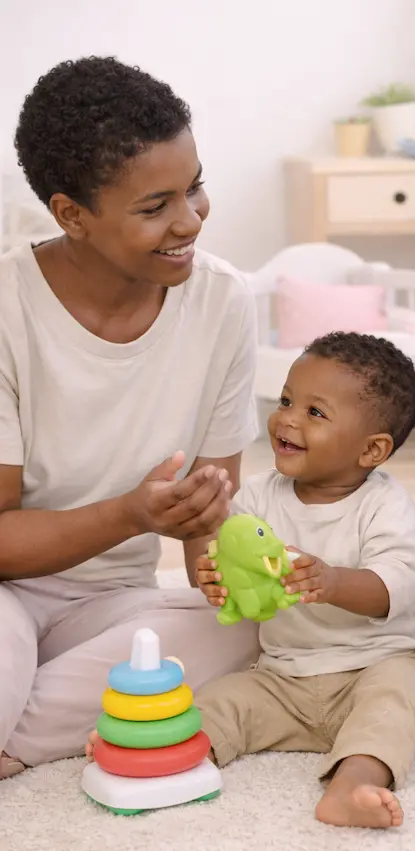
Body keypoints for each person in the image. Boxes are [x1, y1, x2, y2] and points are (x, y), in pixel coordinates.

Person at [0, 56, 260, 778]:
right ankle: (64, 719)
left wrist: (238, 578)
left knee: (242, 632)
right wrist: (132, 514)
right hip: (7, 589)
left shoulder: (223, 301)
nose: (190, 221)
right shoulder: (7, 307)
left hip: (115, 601)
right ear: (70, 215)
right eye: (155, 207)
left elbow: (209, 523)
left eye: (195, 187)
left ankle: (14, 742)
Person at [90, 333, 415, 828]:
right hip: (284, 676)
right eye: (286, 400)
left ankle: (352, 785)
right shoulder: (258, 495)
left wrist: (334, 581)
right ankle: (159, 757)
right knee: (217, 702)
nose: (289, 419)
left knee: (398, 706)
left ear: (372, 450)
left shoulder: (384, 505)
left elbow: (402, 585)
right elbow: (232, 567)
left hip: (375, 665)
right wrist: (217, 581)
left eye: (315, 413)